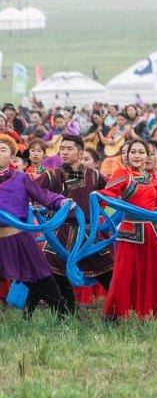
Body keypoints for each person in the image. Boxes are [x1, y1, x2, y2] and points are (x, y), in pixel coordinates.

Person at [98, 140, 157, 320]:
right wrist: (98, 198)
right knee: (125, 274)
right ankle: (119, 313)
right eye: (133, 152)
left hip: (151, 232)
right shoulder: (124, 174)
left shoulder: (152, 178)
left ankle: (156, 311)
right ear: (127, 155)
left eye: (142, 152)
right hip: (130, 232)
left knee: (156, 274)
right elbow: (110, 192)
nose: (137, 156)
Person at [36, 135, 113, 313]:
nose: (64, 152)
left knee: (107, 272)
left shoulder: (93, 174)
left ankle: (117, 310)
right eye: (62, 148)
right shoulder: (53, 174)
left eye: (69, 148)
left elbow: (112, 191)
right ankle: (68, 310)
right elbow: (33, 189)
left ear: (80, 152)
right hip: (61, 231)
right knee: (51, 270)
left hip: (87, 232)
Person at [0, 135, 71, 318]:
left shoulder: (20, 178)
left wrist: (61, 202)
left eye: (2, 149)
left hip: (16, 237)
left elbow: (44, 195)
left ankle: (62, 314)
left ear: (12, 156)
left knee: (40, 278)